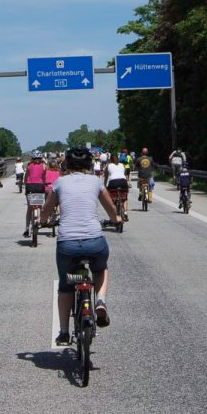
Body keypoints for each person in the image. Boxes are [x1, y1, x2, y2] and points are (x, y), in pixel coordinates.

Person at [40, 147, 123, 344]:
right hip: (95, 242)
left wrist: (42, 221)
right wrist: (116, 218)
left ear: (67, 164)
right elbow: (110, 207)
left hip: (67, 244)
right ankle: (100, 301)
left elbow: (47, 210)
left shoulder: (60, 182)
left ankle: (63, 332)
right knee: (101, 268)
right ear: (88, 164)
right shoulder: (95, 182)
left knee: (65, 285)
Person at [23, 154, 48, 238]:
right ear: (40, 158)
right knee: (40, 206)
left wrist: (25, 183)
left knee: (29, 208)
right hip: (40, 186)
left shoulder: (29, 165)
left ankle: (27, 228)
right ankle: (39, 222)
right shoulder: (44, 165)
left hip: (30, 186)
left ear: (32, 158)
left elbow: (26, 177)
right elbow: (45, 176)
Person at [103, 154, 130, 220]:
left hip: (113, 183)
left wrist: (105, 185)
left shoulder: (108, 165)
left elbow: (106, 177)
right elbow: (125, 175)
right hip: (123, 182)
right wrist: (127, 183)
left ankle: (114, 212)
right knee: (124, 198)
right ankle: (125, 212)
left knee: (112, 198)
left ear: (110, 159)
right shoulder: (122, 165)